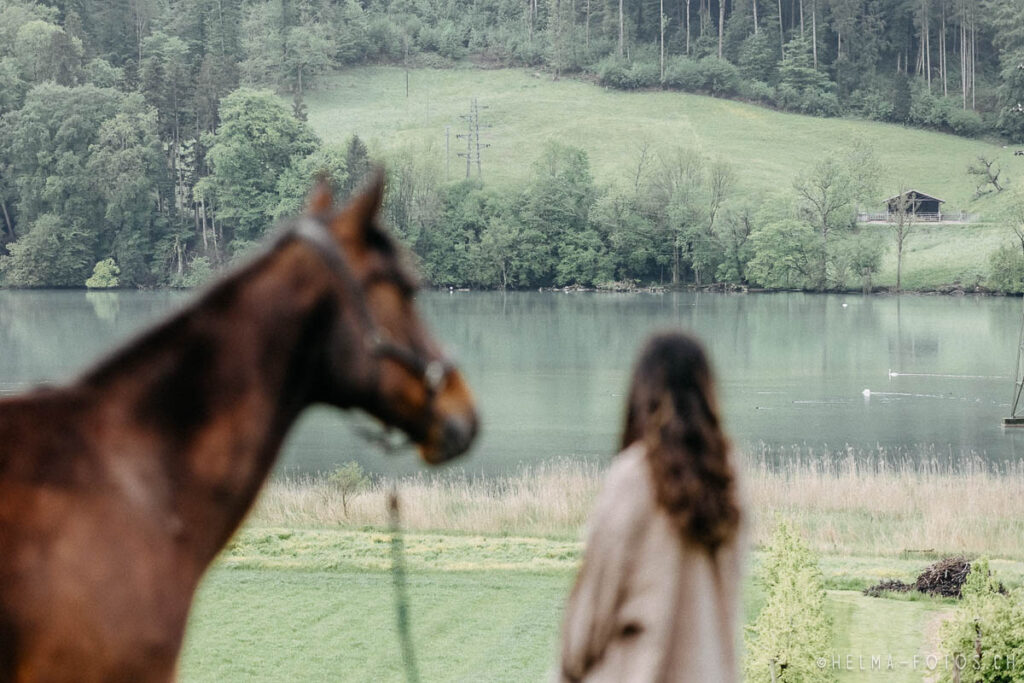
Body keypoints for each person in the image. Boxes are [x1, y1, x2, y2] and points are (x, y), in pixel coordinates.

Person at [557, 331, 745, 683]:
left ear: (642, 393)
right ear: (707, 393)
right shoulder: (729, 478)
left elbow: (587, 624)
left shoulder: (633, 477)